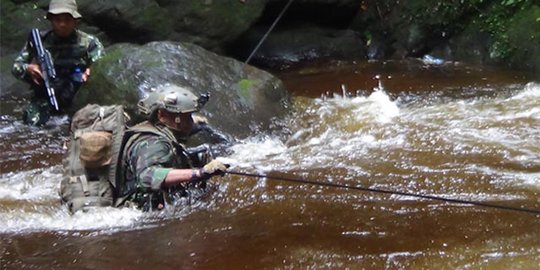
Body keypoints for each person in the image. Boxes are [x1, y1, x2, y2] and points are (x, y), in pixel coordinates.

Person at [115, 85, 229, 211]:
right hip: (140, 212)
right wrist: (199, 173)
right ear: (162, 116)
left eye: (190, 116)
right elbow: (147, 176)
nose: (190, 122)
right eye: (183, 118)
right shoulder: (153, 142)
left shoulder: (159, 130)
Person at [12, 0, 104, 126]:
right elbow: (16, 67)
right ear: (51, 20)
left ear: (75, 20)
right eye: (58, 20)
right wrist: (28, 68)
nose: (62, 24)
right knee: (31, 124)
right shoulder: (40, 41)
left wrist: (91, 72)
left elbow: (102, 67)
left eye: (67, 20)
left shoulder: (89, 43)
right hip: (45, 98)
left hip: (77, 99)